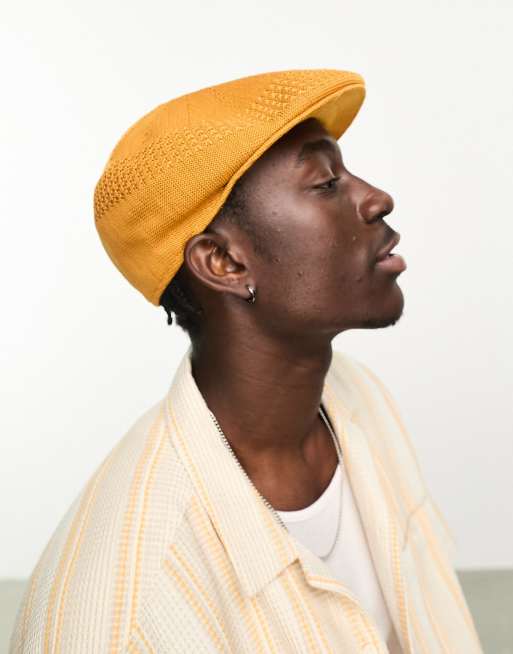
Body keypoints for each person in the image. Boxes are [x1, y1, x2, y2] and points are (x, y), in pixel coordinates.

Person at [10, 68, 483, 653]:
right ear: (224, 263)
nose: (377, 198)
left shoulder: (361, 401)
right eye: (325, 183)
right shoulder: (123, 615)